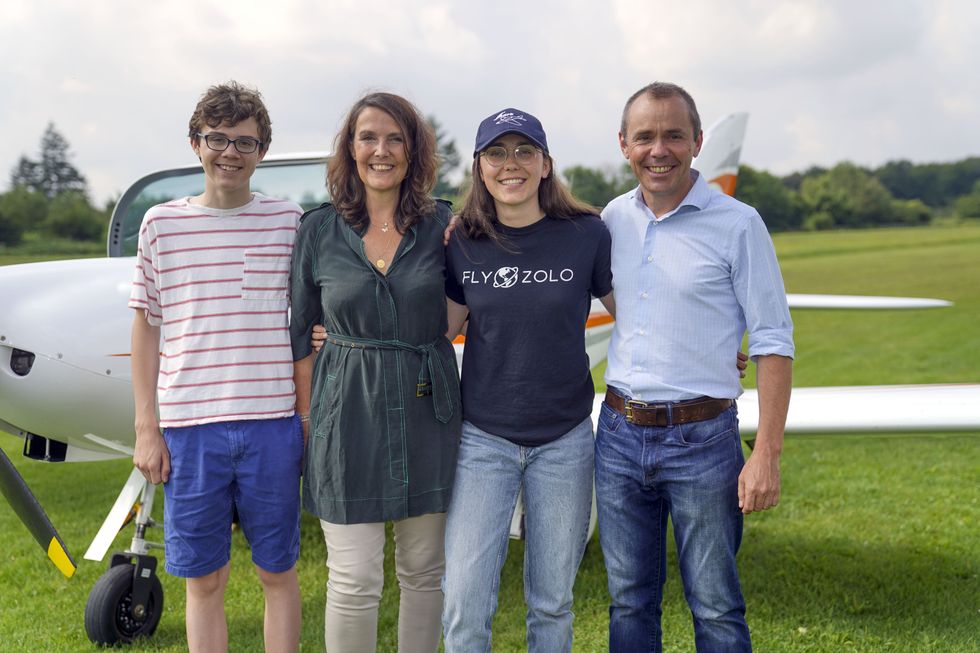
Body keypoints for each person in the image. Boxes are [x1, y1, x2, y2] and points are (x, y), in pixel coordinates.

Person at [594, 81, 795, 652]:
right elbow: (621, 305)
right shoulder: (611, 218)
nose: (659, 149)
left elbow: (775, 342)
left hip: (704, 440)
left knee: (715, 605)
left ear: (698, 141)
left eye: (674, 136)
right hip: (618, 434)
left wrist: (766, 455)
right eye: (645, 137)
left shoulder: (739, 224)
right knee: (629, 600)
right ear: (624, 145)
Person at [129, 81, 303, 653]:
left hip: (271, 423)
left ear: (262, 152)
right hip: (189, 429)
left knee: (277, 572)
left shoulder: (289, 223)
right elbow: (147, 328)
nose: (230, 152)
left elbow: (309, 320)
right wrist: (146, 429)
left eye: (245, 142)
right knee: (204, 579)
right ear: (195, 143)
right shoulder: (160, 225)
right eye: (218, 139)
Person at [289, 92, 461, 653]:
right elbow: (301, 336)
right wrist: (310, 422)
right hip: (345, 415)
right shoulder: (317, 230)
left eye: (394, 138)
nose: (380, 150)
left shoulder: (446, 225)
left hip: (427, 409)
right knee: (355, 577)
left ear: (413, 150)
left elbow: (479, 300)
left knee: (423, 568)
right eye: (368, 137)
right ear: (350, 148)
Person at [438, 108, 614, 653]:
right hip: (482, 438)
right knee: (465, 601)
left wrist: (710, 348)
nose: (509, 164)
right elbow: (438, 331)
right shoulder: (461, 241)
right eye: (496, 152)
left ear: (545, 165)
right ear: (479, 168)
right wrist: (335, 333)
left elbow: (638, 314)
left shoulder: (586, 234)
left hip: (564, 439)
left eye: (523, 151)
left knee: (552, 601)